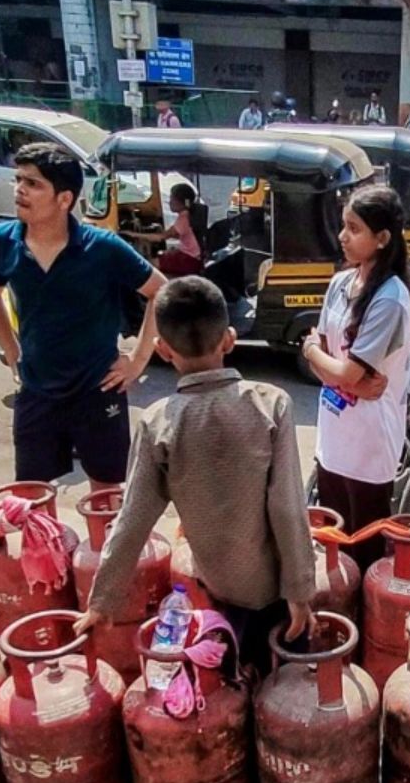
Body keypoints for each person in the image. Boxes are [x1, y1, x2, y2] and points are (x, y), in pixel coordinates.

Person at [77, 276, 314, 673]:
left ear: (163, 350)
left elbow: (132, 520)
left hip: (221, 593)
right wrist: (301, 592)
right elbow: (289, 508)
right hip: (279, 591)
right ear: (230, 339)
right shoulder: (271, 405)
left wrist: (101, 603)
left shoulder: (158, 423)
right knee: (287, 695)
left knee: (231, 691)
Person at [0, 143, 166, 491]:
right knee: (31, 495)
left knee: (108, 493)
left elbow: (161, 291)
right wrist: (11, 350)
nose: (20, 190)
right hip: (37, 389)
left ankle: (103, 548)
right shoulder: (1, 242)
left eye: (33, 184)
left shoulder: (102, 248)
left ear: (64, 199)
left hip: (98, 390)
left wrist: (139, 360)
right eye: (18, 180)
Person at [303, 185, 410, 570]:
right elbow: (331, 363)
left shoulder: (390, 298)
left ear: (381, 239)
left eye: (354, 229)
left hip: (369, 446)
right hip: (333, 437)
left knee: (363, 551)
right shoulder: (340, 284)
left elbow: (341, 368)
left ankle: (365, 627)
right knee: (332, 544)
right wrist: (326, 364)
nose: (342, 237)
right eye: (344, 226)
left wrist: (321, 359)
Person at [126, 182, 203, 276]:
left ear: (181, 201)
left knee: (146, 264)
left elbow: (160, 237)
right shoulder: (188, 215)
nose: (170, 202)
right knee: (164, 254)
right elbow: (177, 234)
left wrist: (133, 234)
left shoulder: (183, 218)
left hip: (189, 259)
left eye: (172, 199)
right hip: (193, 257)